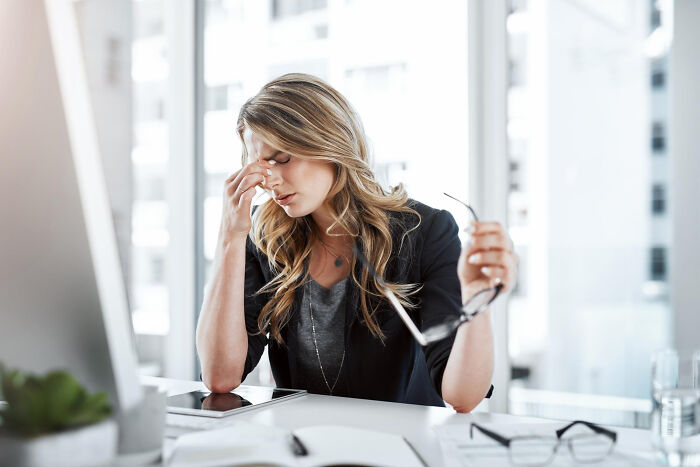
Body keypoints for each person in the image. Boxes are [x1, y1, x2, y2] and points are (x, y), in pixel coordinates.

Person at [196, 73, 517, 412]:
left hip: (397, 449)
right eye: (261, 165)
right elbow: (219, 377)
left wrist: (476, 301)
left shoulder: (424, 231)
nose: (270, 180)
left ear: (329, 143)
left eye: (283, 158)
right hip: (299, 447)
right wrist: (229, 237)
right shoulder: (263, 236)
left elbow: (463, 397)